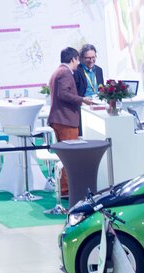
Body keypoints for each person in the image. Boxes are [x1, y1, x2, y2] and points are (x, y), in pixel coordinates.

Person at [48, 47, 96, 196]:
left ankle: (65, 189)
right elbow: (63, 94)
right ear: (74, 59)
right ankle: (66, 190)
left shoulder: (58, 72)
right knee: (70, 157)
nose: (78, 63)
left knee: (65, 157)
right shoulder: (65, 73)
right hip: (65, 120)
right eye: (78, 60)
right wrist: (82, 100)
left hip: (61, 119)